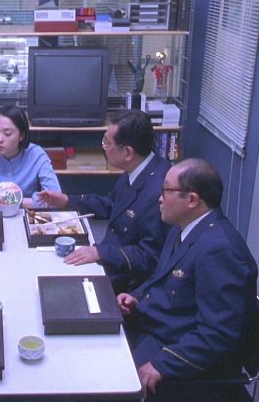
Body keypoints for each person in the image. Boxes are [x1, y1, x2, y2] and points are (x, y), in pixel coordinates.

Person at [76, 158, 259, 402]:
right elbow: (161, 278)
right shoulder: (184, 227)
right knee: (87, 355)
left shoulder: (221, 251)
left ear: (192, 199)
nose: (159, 199)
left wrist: (163, 364)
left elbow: (218, 334)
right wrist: (136, 296)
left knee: (98, 394)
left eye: (166, 191)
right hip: (158, 328)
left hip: (181, 359)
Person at [37, 109, 171, 294]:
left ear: (128, 152)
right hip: (110, 256)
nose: (103, 147)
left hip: (127, 280)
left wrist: (101, 253)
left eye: (107, 142)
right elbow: (111, 204)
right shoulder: (138, 168)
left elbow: (150, 256)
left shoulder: (160, 191)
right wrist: (67, 200)